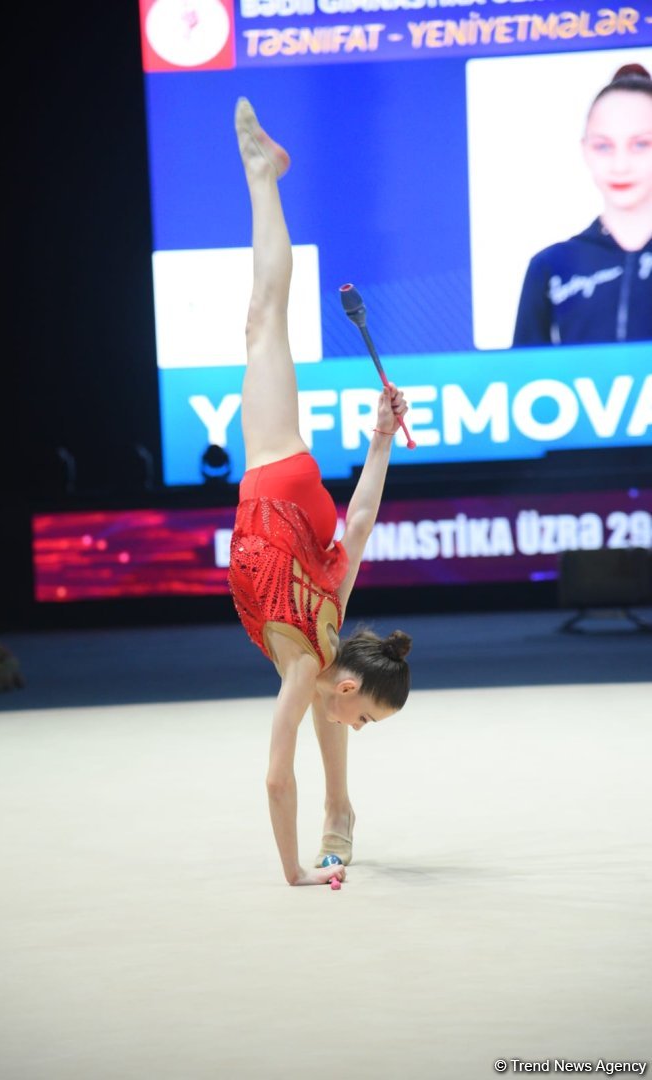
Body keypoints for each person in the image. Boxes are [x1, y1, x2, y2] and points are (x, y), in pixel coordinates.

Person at [229, 98, 412, 887]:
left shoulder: (333, 622)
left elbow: (363, 519)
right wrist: (292, 874)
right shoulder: (312, 668)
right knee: (263, 321)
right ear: (346, 684)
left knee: (265, 323)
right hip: (273, 485)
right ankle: (263, 177)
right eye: (366, 713)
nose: (360, 724)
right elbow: (274, 777)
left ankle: (342, 814)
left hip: (297, 510)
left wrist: (379, 438)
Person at [513, 63, 652, 346]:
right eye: (604, 145)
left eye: (640, 144)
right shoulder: (550, 266)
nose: (620, 165)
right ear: (586, 149)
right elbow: (522, 379)